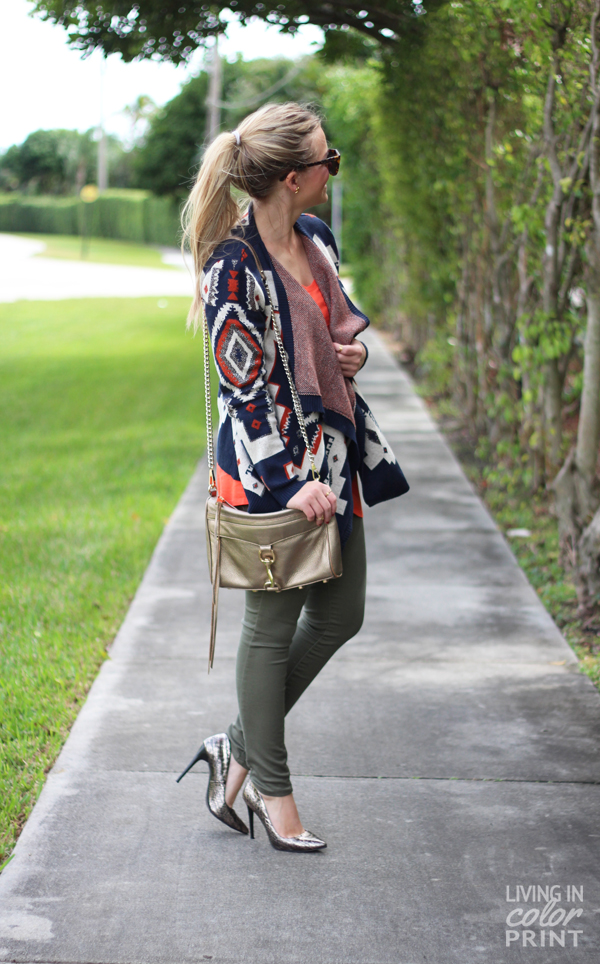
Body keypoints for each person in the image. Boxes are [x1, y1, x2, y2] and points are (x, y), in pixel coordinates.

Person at [177, 102, 408, 852]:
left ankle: (234, 748)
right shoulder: (230, 268)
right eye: (326, 162)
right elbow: (242, 385)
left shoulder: (316, 238)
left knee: (343, 615)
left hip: (333, 459)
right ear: (289, 177)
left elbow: (335, 330)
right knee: (271, 630)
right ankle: (275, 798)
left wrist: (353, 358)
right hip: (269, 471)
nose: (332, 171)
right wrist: (284, 482)